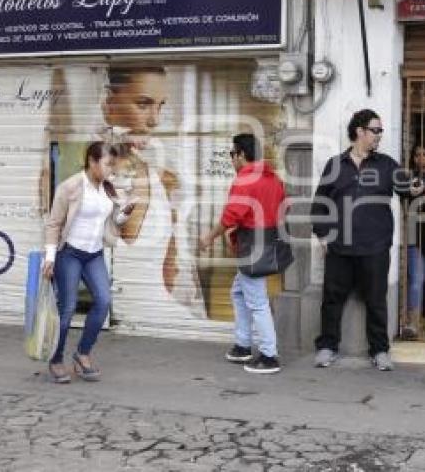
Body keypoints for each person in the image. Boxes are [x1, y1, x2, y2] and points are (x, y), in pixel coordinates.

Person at [101, 66, 205, 321]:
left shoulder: (160, 178)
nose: (154, 120)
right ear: (109, 104)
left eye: (160, 106)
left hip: (152, 305)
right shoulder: (97, 173)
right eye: (143, 104)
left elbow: (171, 270)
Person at [311, 109, 411, 371]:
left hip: (375, 247)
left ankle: (379, 350)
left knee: (376, 301)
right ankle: (327, 346)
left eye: (380, 131)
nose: (379, 135)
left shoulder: (387, 165)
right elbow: (320, 203)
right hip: (340, 247)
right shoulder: (335, 165)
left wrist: (424, 185)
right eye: (375, 130)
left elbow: (409, 189)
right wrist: (322, 236)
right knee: (332, 299)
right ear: (360, 132)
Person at [43, 142, 134, 384]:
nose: (110, 169)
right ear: (92, 162)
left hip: (94, 254)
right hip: (70, 254)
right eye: (107, 164)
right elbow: (53, 224)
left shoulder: (108, 188)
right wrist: (50, 257)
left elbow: (114, 219)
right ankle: (56, 359)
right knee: (67, 308)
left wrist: (125, 213)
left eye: (112, 165)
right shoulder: (70, 186)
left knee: (103, 301)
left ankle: (82, 353)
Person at [199, 134, 286, 374]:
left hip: (252, 246)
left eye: (231, 154)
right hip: (268, 242)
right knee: (239, 292)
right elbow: (276, 209)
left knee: (257, 301)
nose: (231, 160)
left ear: (241, 155)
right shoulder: (273, 179)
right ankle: (243, 345)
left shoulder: (245, 180)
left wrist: (209, 236)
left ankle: (269, 355)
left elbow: (230, 217)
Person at [402, 143, 425, 340]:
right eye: (417, 155)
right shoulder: (412, 178)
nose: (421, 158)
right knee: (417, 279)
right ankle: (413, 323)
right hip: (416, 234)